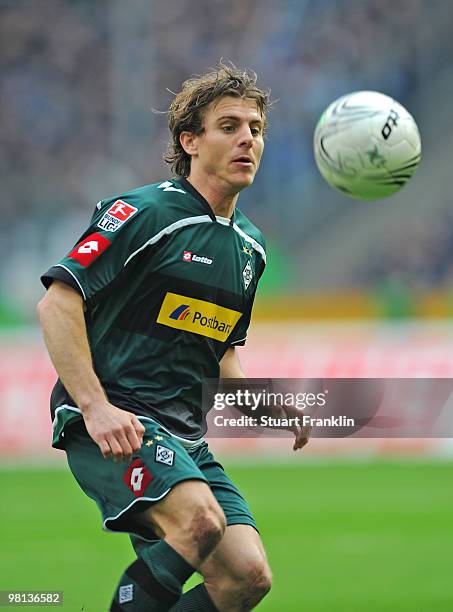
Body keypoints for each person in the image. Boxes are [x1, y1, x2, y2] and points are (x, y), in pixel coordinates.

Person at [37, 62, 310, 612]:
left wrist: (268, 407)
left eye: (255, 128)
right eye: (229, 126)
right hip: (118, 421)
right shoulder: (144, 211)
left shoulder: (250, 248)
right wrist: (95, 407)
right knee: (199, 521)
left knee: (246, 578)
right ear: (190, 140)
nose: (247, 139)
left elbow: (221, 353)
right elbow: (57, 303)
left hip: (184, 436)